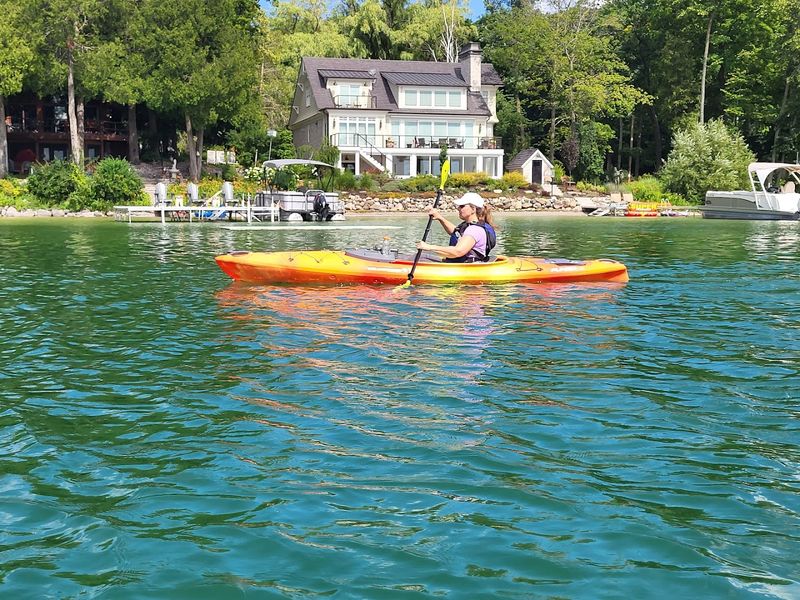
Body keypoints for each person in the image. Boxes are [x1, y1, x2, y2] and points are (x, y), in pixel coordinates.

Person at [417, 191, 497, 262]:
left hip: (465, 267)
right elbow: (455, 232)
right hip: (459, 262)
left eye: (462, 206)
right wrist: (440, 218)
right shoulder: (469, 225)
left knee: (419, 257)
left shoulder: (474, 230)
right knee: (418, 256)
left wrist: (429, 247)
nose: (458, 208)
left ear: (473, 209)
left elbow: (458, 251)